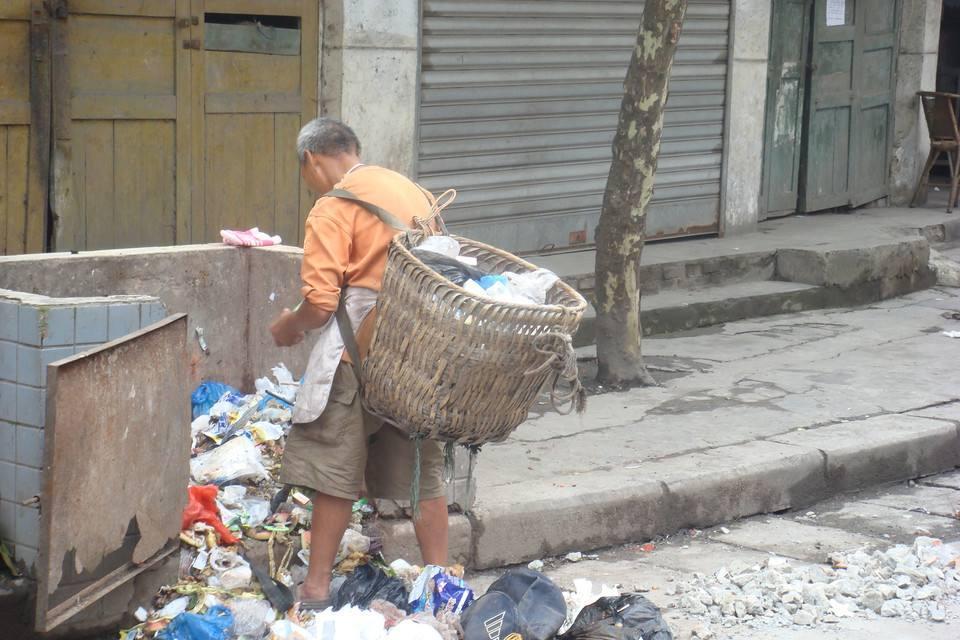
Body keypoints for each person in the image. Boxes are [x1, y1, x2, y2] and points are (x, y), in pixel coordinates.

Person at [269, 118, 448, 608]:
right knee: (422, 474)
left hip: (358, 355)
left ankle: (315, 589)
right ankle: (440, 587)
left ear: (311, 159)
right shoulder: (412, 192)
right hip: (415, 351)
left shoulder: (332, 207)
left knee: (334, 470)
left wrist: (289, 325)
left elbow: (322, 303)